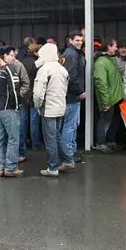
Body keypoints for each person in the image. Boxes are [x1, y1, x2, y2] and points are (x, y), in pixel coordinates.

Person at [0, 47, 28, 177]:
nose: (14, 58)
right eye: (11, 55)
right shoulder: (9, 69)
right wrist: (16, 105)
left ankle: (0, 167)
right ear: (4, 56)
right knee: (13, 139)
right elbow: (15, 90)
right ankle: (10, 168)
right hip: (8, 109)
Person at [33, 43, 72, 177]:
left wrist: (37, 105)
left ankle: (53, 168)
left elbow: (38, 94)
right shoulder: (62, 69)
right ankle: (68, 160)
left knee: (50, 139)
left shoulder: (44, 70)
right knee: (57, 135)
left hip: (48, 109)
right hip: (61, 107)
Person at [94, 39, 125, 152]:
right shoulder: (101, 62)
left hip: (115, 98)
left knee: (112, 121)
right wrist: (106, 101)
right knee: (104, 121)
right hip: (109, 99)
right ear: (108, 46)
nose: (117, 49)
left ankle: (110, 141)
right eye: (115, 46)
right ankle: (101, 143)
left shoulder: (110, 60)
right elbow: (101, 83)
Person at [60, 31, 87, 159]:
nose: (80, 43)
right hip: (71, 97)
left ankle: (71, 150)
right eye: (77, 40)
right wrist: (79, 91)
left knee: (70, 126)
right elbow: (71, 76)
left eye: (81, 40)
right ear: (70, 40)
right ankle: (68, 154)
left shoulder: (70, 53)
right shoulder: (72, 55)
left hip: (69, 96)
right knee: (69, 126)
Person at [19, 38, 43, 159]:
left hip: (23, 94)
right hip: (34, 94)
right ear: (35, 52)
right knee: (34, 121)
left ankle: (22, 144)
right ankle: (35, 144)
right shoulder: (37, 63)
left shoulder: (21, 62)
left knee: (23, 121)